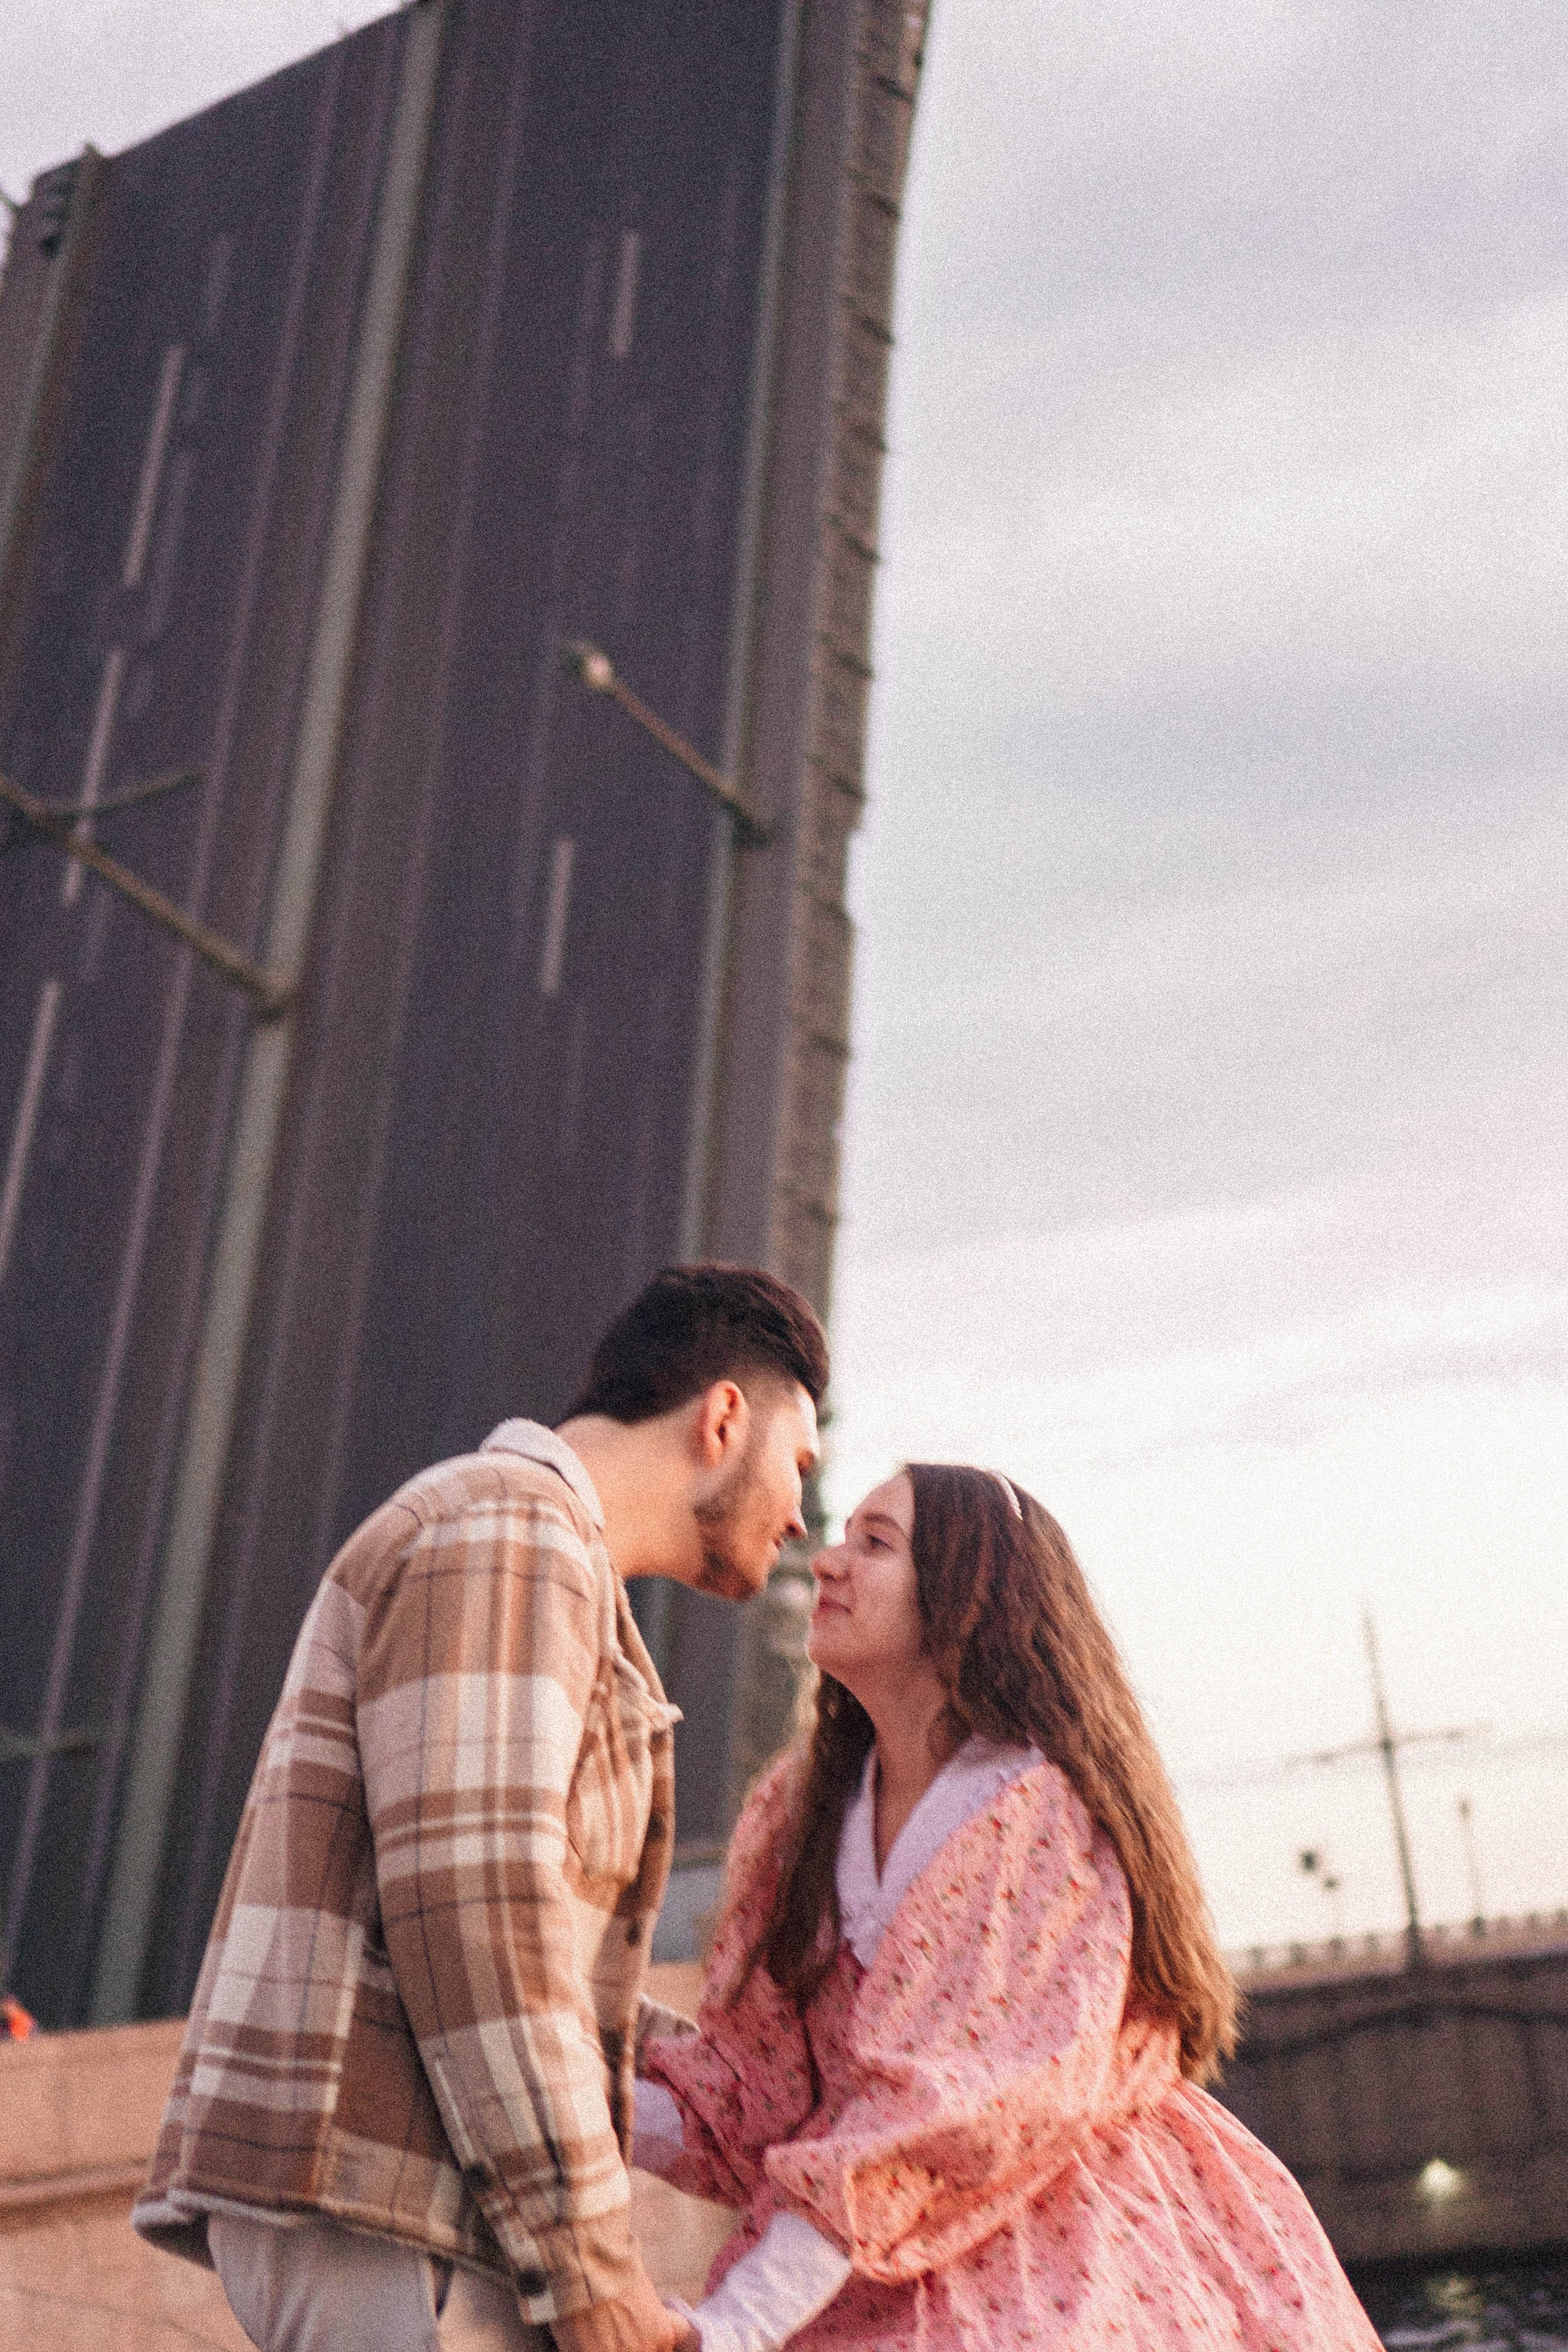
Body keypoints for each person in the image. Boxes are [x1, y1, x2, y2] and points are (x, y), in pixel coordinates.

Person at [134, 1264, 827, 2352]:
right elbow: (481, 1915)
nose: (801, 1517)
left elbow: (508, 1923)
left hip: (413, 2195)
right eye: (800, 1465)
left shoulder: (535, 1552)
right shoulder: (512, 1529)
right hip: (400, 2202)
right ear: (724, 1420)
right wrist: (590, 2273)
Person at [633, 1463, 1383, 2351]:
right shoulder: (795, 1814)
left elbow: (952, 2113)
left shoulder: (1039, 1811)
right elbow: (752, 2094)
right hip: (856, 2248)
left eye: (876, 1544)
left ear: (966, 1598)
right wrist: (554, 2094)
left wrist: (734, 2326)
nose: (827, 1564)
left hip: (1069, 2229)